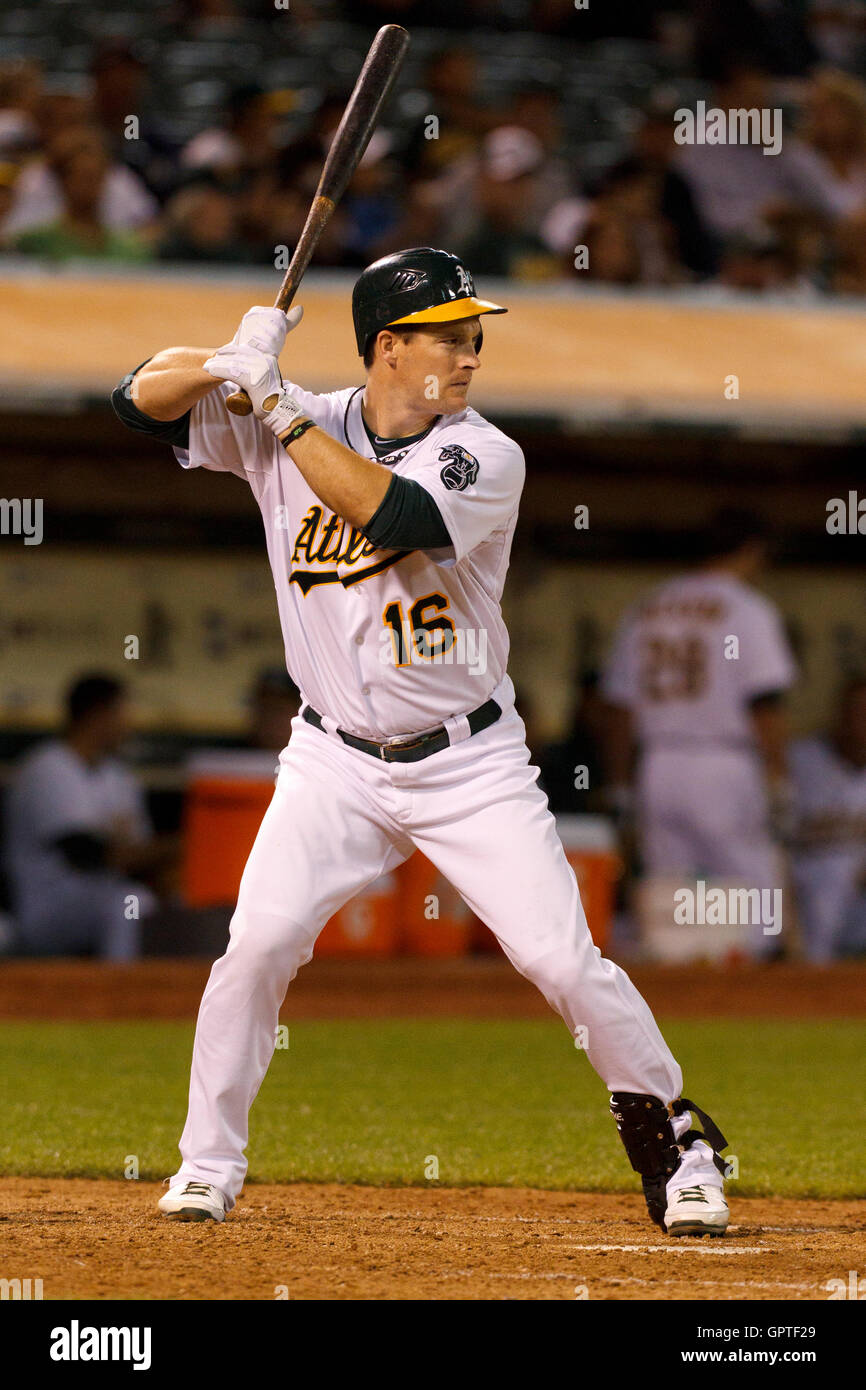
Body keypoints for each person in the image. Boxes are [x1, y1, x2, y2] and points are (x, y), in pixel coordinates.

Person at [112, 246, 729, 1235]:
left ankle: (683, 1147)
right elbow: (132, 403)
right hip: (330, 759)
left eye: (474, 334)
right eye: (450, 334)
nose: (471, 351)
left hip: (468, 760)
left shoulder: (481, 451)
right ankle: (206, 1161)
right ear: (388, 349)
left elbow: (391, 515)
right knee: (257, 944)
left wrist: (273, 405)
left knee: (562, 963)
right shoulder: (292, 413)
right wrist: (221, 357)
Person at [601, 509, 797, 956]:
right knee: (751, 895)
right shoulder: (747, 607)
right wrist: (780, 778)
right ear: (750, 549)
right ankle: (745, 993)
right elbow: (764, 704)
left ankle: (683, 1001)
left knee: (674, 896)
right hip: (723, 762)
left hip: (659, 763)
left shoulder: (649, 605)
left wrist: (619, 785)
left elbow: (619, 709)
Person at [4, 675, 158, 959]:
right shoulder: (48, 768)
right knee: (127, 902)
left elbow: (140, 855)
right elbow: (85, 854)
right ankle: (116, 994)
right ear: (98, 715)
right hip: (46, 907)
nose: (128, 724)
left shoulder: (118, 777)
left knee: (144, 901)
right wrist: (182, 847)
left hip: (97, 900)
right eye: (122, 713)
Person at [790, 677, 866, 963]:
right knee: (834, 870)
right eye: (858, 711)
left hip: (859, 897)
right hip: (809, 889)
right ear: (841, 716)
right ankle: (813, 978)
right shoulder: (800, 759)